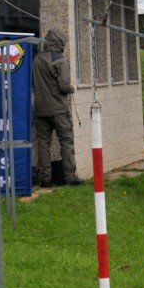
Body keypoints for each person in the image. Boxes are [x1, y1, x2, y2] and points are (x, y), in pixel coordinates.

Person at [33, 28, 83, 187]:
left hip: (40, 109)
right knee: (66, 141)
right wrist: (73, 88)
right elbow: (63, 86)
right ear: (60, 42)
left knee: (43, 143)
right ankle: (70, 177)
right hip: (58, 110)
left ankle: (45, 179)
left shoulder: (37, 58)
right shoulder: (60, 60)